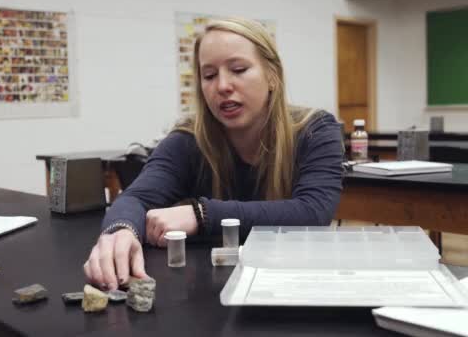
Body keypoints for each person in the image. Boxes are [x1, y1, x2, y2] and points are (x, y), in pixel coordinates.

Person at [84, 17, 343, 291]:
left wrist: (202, 215)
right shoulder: (187, 139)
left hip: (294, 284)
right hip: (210, 293)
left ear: (272, 76)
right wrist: (120, 231)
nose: (222, 86)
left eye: (239, 69)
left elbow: (312, 212)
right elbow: (136, 198)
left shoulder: (315, 130)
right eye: (209, 75)